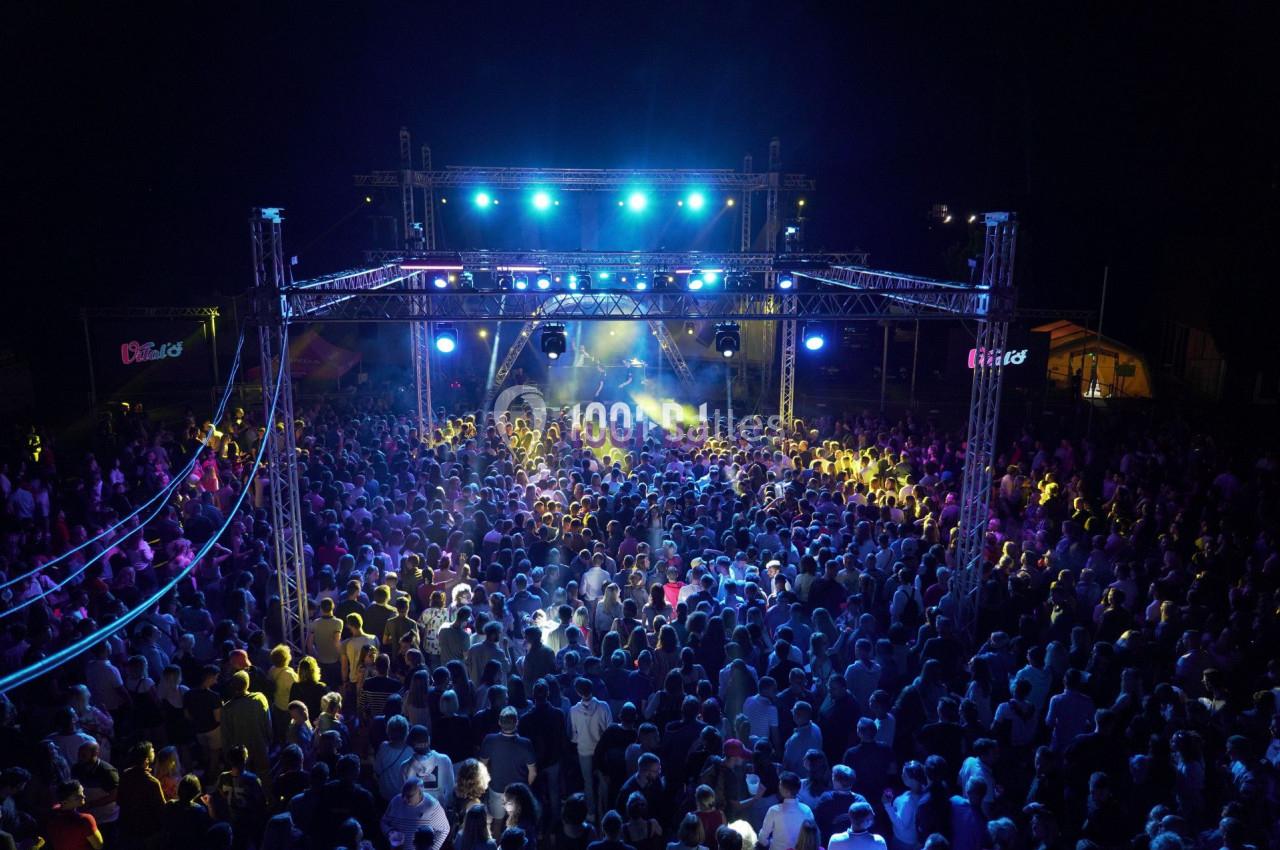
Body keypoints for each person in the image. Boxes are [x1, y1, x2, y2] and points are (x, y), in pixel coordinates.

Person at [570, 677, 612, 823]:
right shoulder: (603, 706)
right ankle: (605, 812)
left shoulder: (573, 710)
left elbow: (574, 735)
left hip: (584, 750)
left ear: (577, 692)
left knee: (588, 782)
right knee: (603, 782)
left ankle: (591, 813)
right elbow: (609, 730)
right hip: (602, 751)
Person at [382, 777, 450, 850]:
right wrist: (390, 832)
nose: (404, 799)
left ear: (420, 793)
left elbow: (444, 829)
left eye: (409, 796)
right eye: (403, 794)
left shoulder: (432, 806)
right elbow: (384, 822)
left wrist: (433, 848)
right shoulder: (396, 801)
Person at [758, 772, 813, 850]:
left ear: (786, 791)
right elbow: (812, 836)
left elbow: (762, 838)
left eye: (780, 784)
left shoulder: (774, 811)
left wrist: (771, 844)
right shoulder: (807, 810)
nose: (779, 786)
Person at [46, 780, 104, 850]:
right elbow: (99, 845)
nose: (84, 796)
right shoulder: (85, 820)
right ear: (64, 802)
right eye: (77, 797)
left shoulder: (52, 813)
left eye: (82, 791)